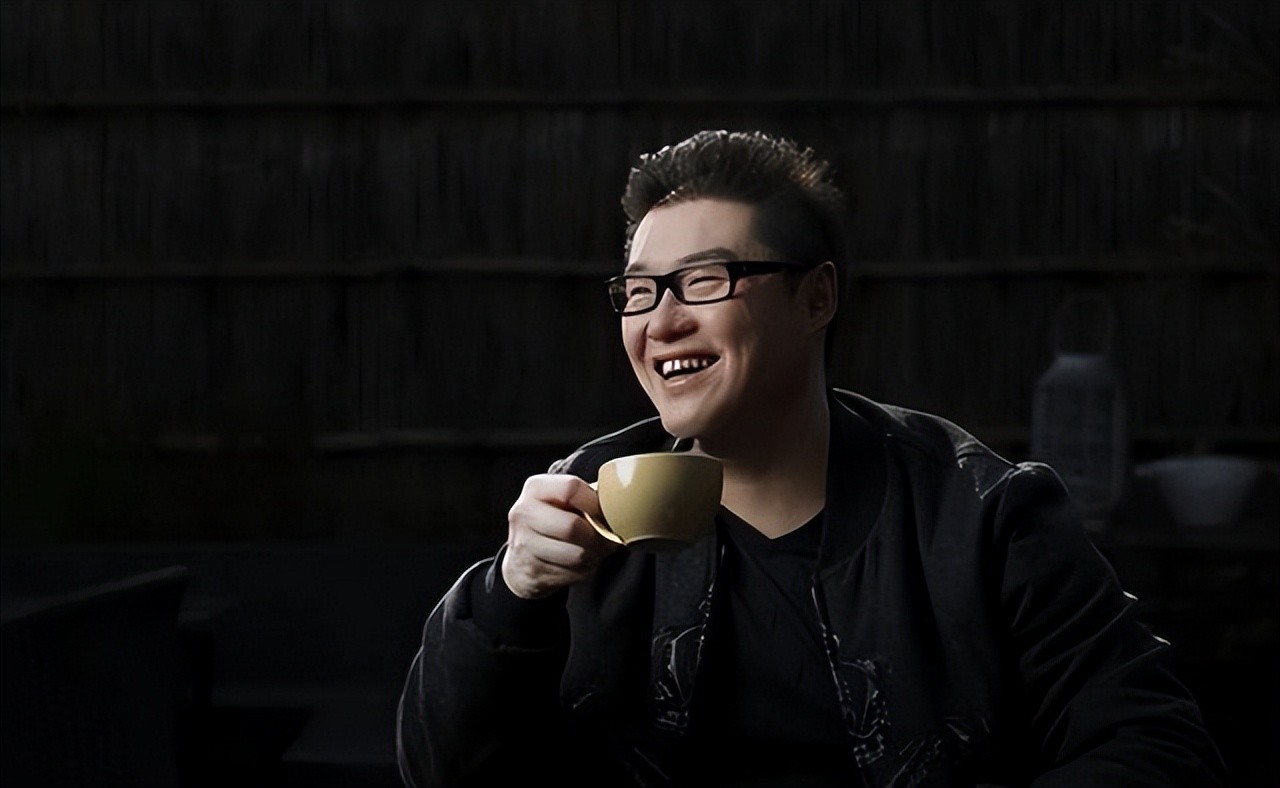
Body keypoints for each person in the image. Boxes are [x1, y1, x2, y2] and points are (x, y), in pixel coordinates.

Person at [396, 129, 1227, 787]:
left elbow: (1161, 747)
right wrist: (509, 595)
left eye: (705, 280)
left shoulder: (980, 513)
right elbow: (439, 770)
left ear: (817, 296)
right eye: (640, 291)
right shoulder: (581, 507)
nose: (661, 322)